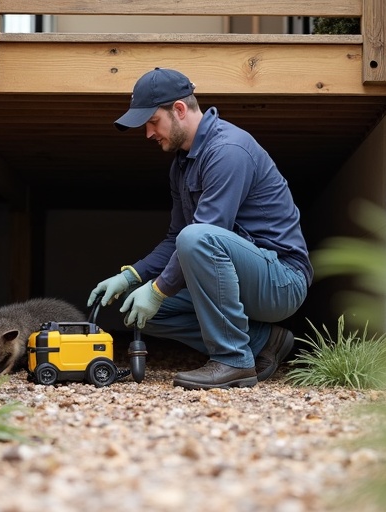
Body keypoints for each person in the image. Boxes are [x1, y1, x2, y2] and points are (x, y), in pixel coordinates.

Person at [88, 67, 312, 390]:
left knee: (194, 241)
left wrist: (157, 290)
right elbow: (175, 240)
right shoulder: (182, 165)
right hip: (237, 275)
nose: (148, 133)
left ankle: (233, 359)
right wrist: (132, 276)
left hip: (281, 281)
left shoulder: (228, 151)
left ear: (179, 109)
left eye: (153, 121)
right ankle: (263, 341)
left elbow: (202, 236)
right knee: (146, 312)